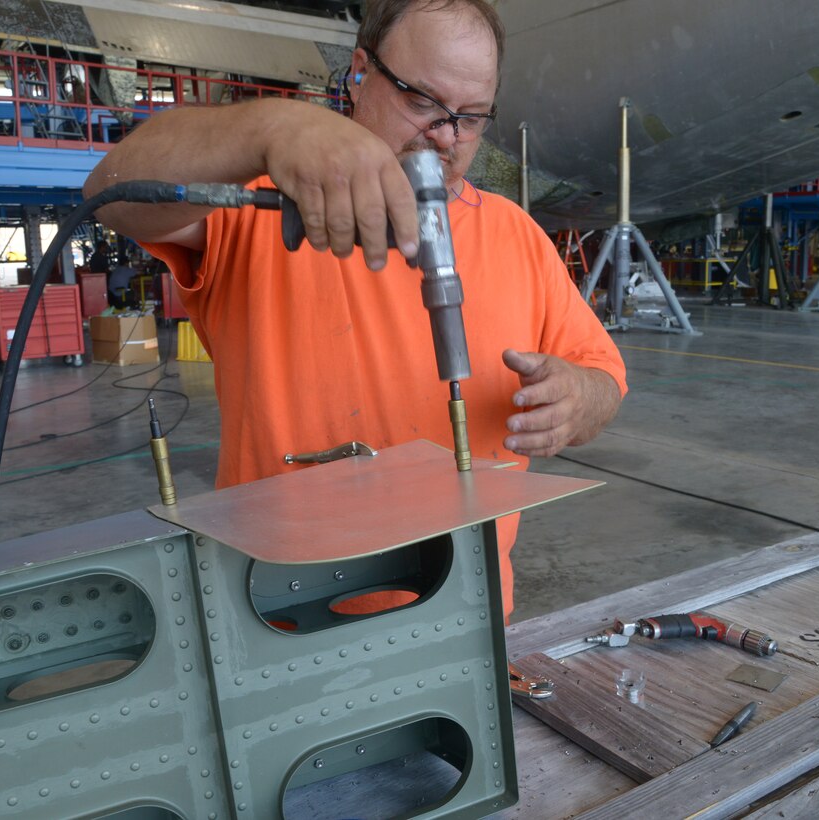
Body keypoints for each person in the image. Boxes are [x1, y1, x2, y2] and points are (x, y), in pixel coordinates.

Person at [84, 0, 626, 620]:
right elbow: (111, 194)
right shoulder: (260, 211)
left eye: (470, 119)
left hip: (466, 621)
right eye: (423, 102)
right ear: (361, 71)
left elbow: (603, 376)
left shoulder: (517, 236)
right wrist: (271, 130)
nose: (445, 137)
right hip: (276, 624)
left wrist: (579, 398)